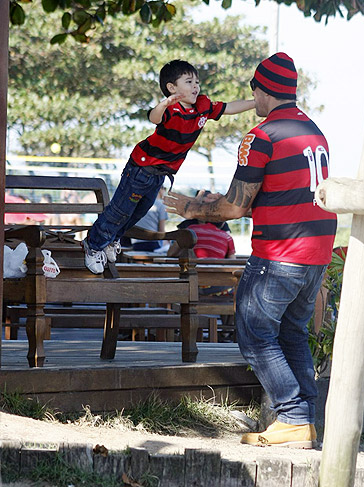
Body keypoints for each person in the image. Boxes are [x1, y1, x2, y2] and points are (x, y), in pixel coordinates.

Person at [164, 52, 337, 448]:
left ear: (262, 91)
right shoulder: (315, 133)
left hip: (280, 252)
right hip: (316, 253)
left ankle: (293, 416)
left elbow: (235, 206)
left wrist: (191, 207)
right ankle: (304, 423)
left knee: (254, 332)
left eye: (254, 91)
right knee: (292, 333)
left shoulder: (263, 135)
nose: (253, 100)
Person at [82, 59, 255, 273]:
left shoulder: (202, 108)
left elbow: (229, 107)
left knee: (140, 210)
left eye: (197, 82)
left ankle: (111, 240)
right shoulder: (170, 109)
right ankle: (94, 244)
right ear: (172, 88)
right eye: (189, 81)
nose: (195, 86)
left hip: (160, 174)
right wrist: (163, 104)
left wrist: (256, 102)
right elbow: (154, 118)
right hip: (141, 167)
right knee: (121, 209)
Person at [131, 186, 169, 252]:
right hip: (152, 244)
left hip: (135, 243)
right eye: (164, 189)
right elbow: (161, 231)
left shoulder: (136, 203)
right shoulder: (161, 206)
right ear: (160, 189)